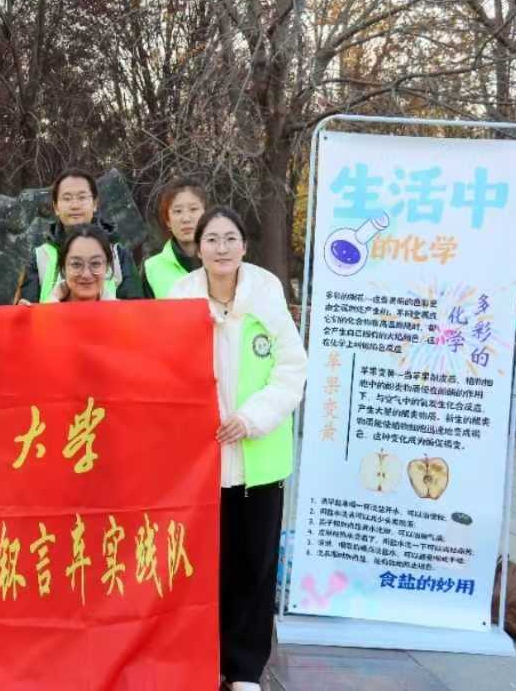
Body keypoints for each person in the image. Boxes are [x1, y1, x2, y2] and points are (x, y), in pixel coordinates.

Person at [169, 206, 307, 691]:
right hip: (200, 461)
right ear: (198, 247)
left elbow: (292, 369)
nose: (221, 248)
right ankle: (203, 659)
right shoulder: (181, 297)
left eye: (230, 238)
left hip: (258, 459)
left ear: (244, 246)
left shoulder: (266, 294)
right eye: (212, 239)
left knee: (254, 564)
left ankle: (245, 668)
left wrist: (252, 418)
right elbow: (163, 366)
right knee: (203, 567)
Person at [15, 167, 139, 303]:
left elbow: (135, 310)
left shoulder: (118, 255)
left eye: (82, 197)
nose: (75, 205)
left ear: (95, 203)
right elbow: (29, 310)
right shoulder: (40, 257)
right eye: (67, 198)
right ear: (56, 207)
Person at [137, 177, 206, 298]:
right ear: (168, 220)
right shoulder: (152, 269)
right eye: (178, 211)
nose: (186, 219)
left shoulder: (223, 262)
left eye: (193, 209)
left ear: (206, 214)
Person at [24, 223, 116, 303]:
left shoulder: (121, 315)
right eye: (76, 264)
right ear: (63, 268)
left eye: (95, 263)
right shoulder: (41, 314)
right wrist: (24, 316)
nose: (86, 274)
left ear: (107, 266)